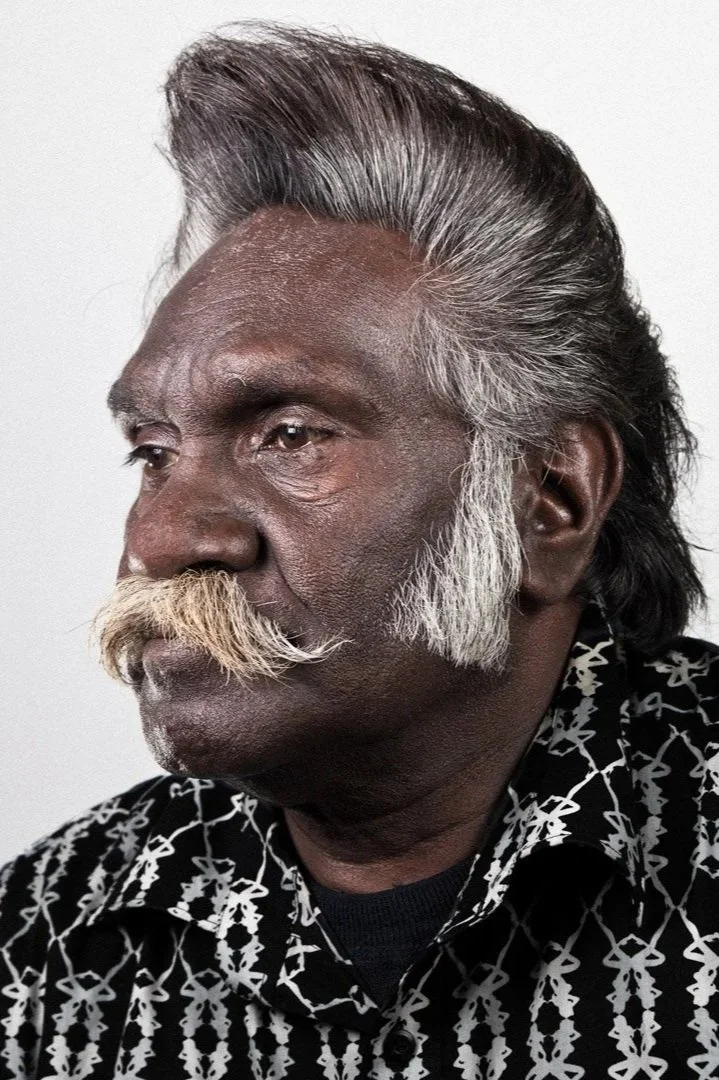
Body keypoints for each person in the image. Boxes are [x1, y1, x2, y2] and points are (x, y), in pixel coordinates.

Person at [1, 21, 717, 1079]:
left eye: (289, 436)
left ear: (548, 500)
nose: (158, 540)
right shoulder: (49, 940)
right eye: (151, 453)